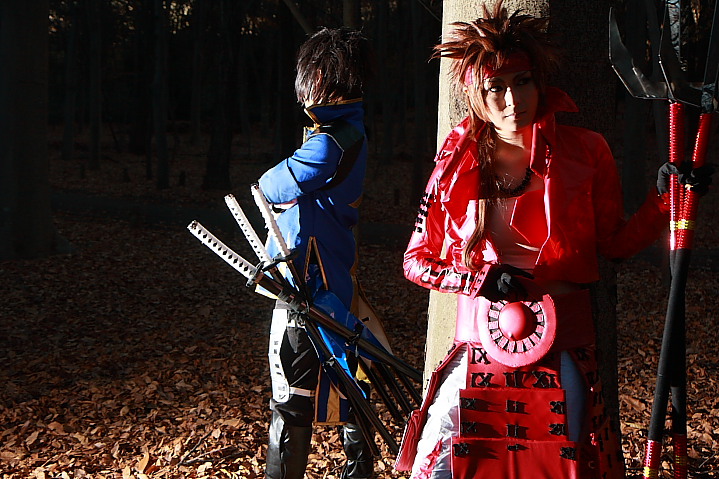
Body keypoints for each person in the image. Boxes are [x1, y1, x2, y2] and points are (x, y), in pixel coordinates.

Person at [395, 2, 712, 479]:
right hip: (477, 350)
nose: (511, 99)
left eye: (522, 82)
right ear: (476, 94)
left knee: (563, 468)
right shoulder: (456, 159)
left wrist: (665, 200)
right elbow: (416, 261)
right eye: (495, 87)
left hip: (563, 349)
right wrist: (477, 280)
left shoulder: (586, 151)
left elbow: (616, 244)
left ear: (539, 82)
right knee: (438, 471)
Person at [256, 27, 376, 479]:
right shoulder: (339, 133)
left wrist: (277, 189)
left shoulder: (331, 141)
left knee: (293, 396)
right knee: (332, 383)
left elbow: (273, 185)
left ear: (321, 78)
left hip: (308, 281)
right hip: (317, 276)